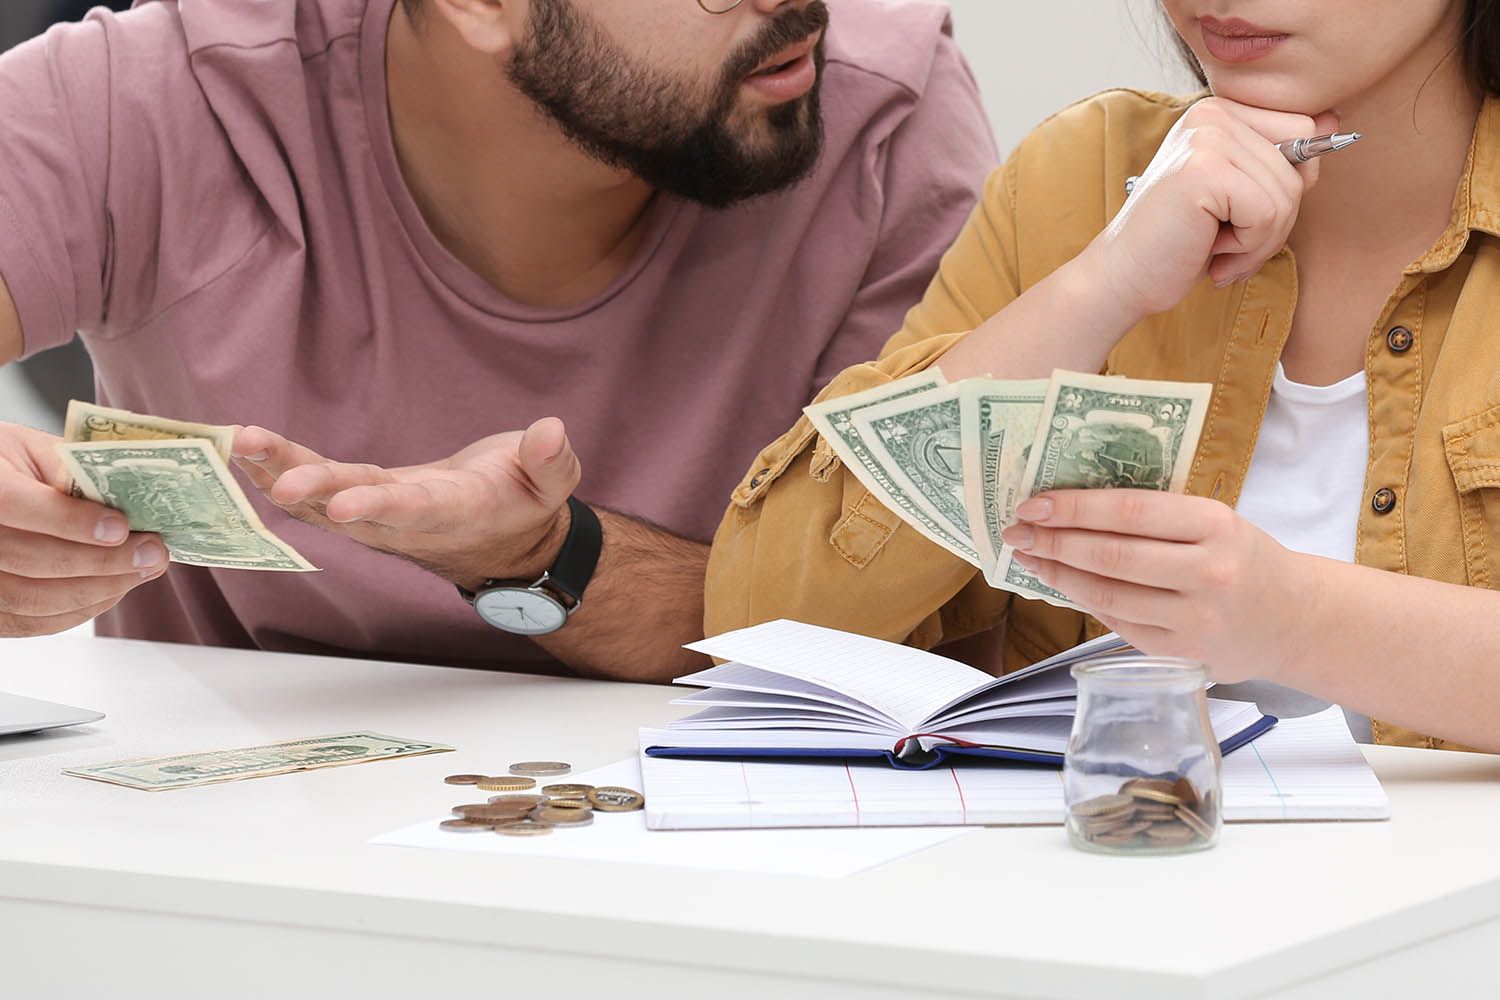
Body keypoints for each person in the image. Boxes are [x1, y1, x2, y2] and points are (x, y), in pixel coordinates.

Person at [0, 0, 997, 679]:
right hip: (218, 892)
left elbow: (883, 646)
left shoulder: (878, 111)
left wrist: (542, 555)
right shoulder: (183, 89)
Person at [706, 0, 1500, 752]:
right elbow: (762, 638)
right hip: (1103, 878)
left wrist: (1296, 618)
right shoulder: (1078, 178)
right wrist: (1104, 283)